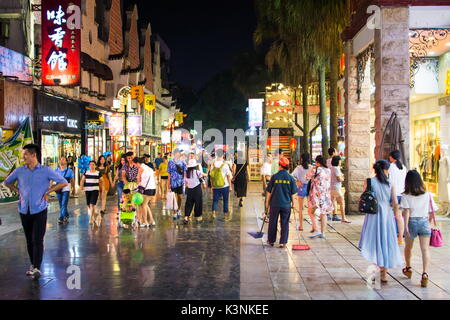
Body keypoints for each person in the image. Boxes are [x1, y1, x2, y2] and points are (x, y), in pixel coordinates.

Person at [4, 144, 68, 279]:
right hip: (24, 209)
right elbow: (7, 182)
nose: (23, 156)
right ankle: (33, 265)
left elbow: (63, 182)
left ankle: (37, 267)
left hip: (40, 209)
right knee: (29, 240)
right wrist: (17, 191)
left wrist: (48, 192)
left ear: (34, 155)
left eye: (25, 154)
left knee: (37, 239)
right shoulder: (20, 170)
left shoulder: (46, 170)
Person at [358, 160, 403, 283]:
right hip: (386, 215)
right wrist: (397, 214)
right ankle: (384, 275)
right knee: (386, 242)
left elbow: (364, 196)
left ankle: (375, 273)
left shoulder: (369, 181)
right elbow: (395, 202)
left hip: (373, 215)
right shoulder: (390, 183)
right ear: (384, 170)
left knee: (374, 242)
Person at [401, 170, 438, 288]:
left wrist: (405, 227)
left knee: (408, 247)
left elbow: (406, 212)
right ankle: (425, 274)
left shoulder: (406, 195)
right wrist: (428, 222)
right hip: (424, 221)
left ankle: (408, 268)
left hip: (411, 222)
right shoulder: (428, 195)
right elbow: (432, 212)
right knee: (425, 249)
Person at [265, 157, 297, 248]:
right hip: (286, 205)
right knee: (285, 223)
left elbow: (268, 192)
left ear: (280, 166)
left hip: (275, 204)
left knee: (272, 222)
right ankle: (282, 242)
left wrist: (267, 204)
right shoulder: (290, 178)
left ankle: (271, 241)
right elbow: (293, 193)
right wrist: (293, 204)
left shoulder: (274, 177)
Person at [306, 155, 334, 239]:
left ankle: (316, 230)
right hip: (325, 194)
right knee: (323, 213)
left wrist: (312, 169)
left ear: (317, 162)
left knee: (310, 211)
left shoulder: (316, 169)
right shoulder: (328, 170)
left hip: (316, 194)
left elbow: (306, 176)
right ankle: (323, 233)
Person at [388, 150, 407, 244]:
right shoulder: (403, 167)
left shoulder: (391, 167)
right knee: (399, 216)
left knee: (393, 215)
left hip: (394, 194)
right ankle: (401, 234)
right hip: (402, 194)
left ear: (392, 157)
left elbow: (390, 182)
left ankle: (395, 233)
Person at [291, 153, 311, 231]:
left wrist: (297, 181)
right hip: (309, 187)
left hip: (301, 187)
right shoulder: (311, 168)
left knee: (300, 208)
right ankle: (313, 226)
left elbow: (291, 175)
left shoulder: (298, 168)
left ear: (301, 159)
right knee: (310, 207)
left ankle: (301, 226)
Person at [210, 148, 233, 218]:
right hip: (224, 185)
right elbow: (229, 176)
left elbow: (211, 176)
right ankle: (225, 214)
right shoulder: (225, 165)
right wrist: (230, 186)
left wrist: (212, 186)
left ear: (216, 154)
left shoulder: (213, 164)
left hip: (215, 186)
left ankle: (213, 213)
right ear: (223, 155)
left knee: (215, 200)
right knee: (225, 200)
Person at [135, 157, 156, 227]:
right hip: (152, 188)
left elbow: (138, 179)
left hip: (146, 188)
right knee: (145, 204)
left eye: (135, 164)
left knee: (143, 205)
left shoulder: (141, 168)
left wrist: (137, 187)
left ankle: (145, 222)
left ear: (137, 163)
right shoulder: (147, 167)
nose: (135, 166)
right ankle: (152, 220)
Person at [183, 159, 205, 224]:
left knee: (188, 203)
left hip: (189, 189)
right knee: (198, 203)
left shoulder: (186, 173)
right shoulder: (197, 172)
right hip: (197, 189)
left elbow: (184, 182)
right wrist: (204, 184)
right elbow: (202, 178)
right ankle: (198, 218)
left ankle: (186, 217)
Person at [330, 156, 351, 223]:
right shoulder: (336, 169)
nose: (340, 162)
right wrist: (343, 179)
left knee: (333, 200)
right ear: (337, 161)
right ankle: (343, 218)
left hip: (331, 187)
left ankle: (334, 215)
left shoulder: (331, 168)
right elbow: (339, 178)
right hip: (336, 187)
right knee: (342, 202)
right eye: (340, 160)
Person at [167, 149, 187, 219]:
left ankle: (179, 209)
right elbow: (169, 173)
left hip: (180, 181)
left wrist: (186, 181)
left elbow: (185, 172)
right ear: (174, 154)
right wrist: (168, 183)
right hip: (173, 181)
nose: (178, 154)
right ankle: (174, 212)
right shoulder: (170, 162)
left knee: (180, 197)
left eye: (179, 153)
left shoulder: (183, 162)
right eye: (177, 153)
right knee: (173, 197)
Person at [80, 161, 101, 226]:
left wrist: (102, 189)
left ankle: (91, 219)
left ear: (95, 166)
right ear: (89, 166)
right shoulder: (86, 172)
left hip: (95, 190)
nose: (91, 166)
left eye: (93, 165)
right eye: (90, 165)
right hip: (87, 190)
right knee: (89, 205)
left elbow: (102, 181)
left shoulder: (98, 173)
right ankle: (94, 214)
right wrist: (81, 186)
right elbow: (82, 180)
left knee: (92, 204)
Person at [55, 156, 74, 224]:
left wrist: (73, 188)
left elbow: (72, 180)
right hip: (58, 187)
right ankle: (66, 215)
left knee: (64, 203)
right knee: (61, 204)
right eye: (60, 159)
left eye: (63, 159)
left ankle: (61, 217)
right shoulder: (56, 170)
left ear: (66, 161)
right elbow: (51, 179)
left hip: (66, 187)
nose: (61, 161)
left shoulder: (69, 170)